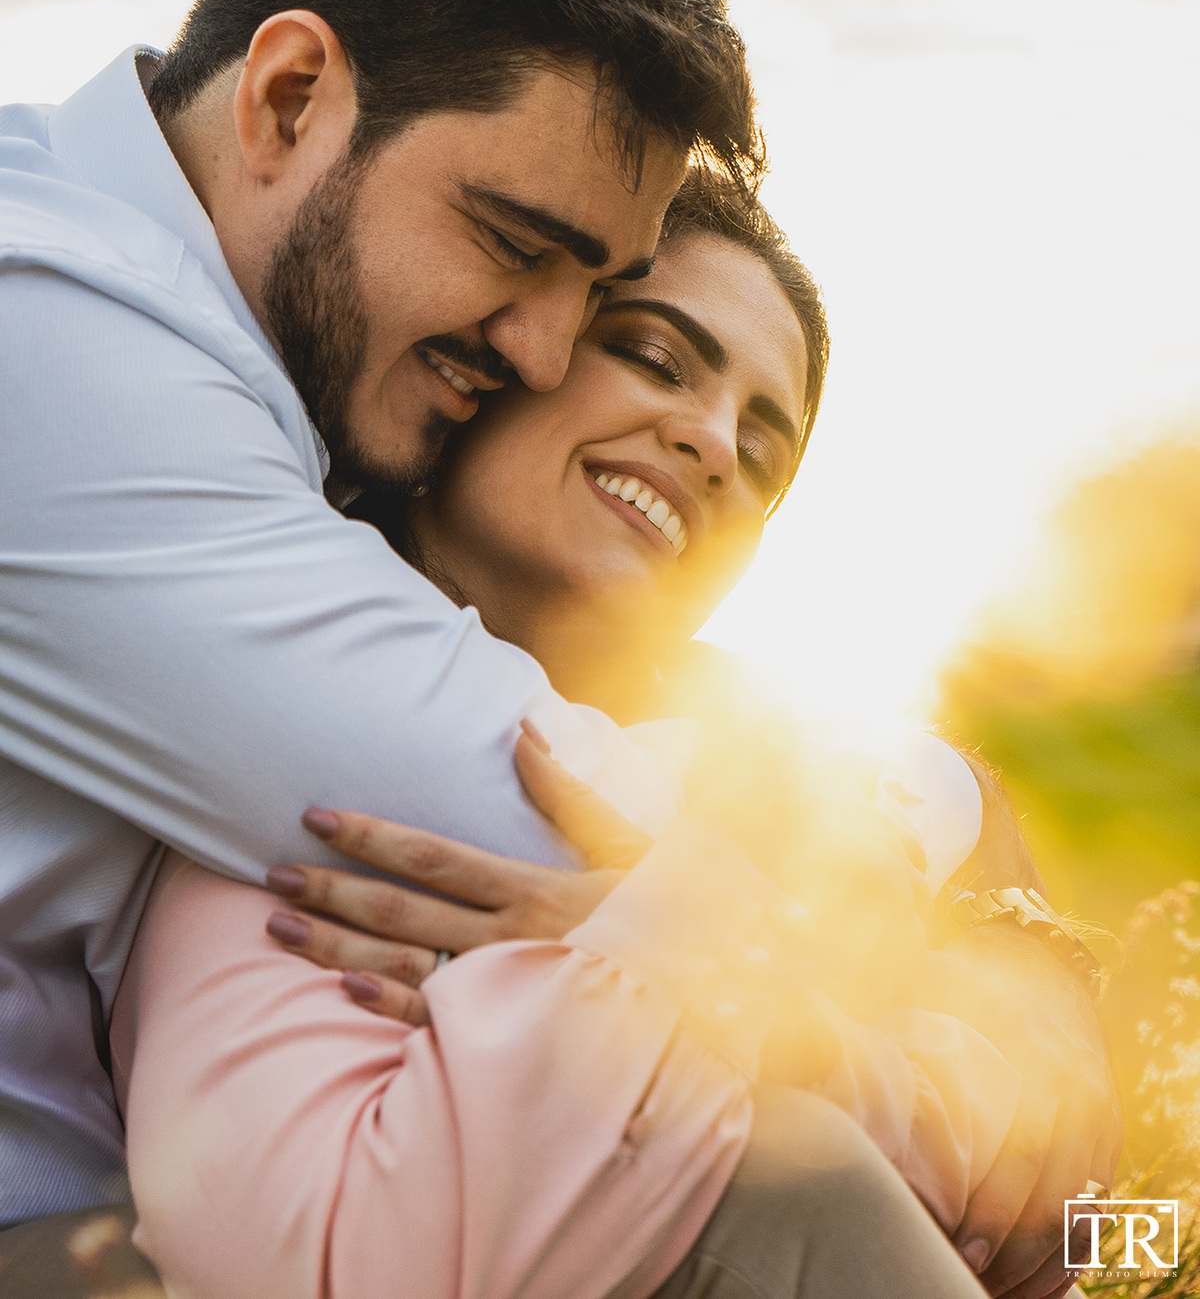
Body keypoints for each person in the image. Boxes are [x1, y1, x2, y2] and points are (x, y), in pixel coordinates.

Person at [0, 0, 1115, 1295]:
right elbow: (519, 805)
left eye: (587, 294)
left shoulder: (276, 393)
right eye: (519, 248)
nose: (534, 350)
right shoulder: (54, 342)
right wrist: (912, 890)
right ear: (286, 96)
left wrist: (993, 918)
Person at [106, 176, 1104, 1299]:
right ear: (493, 364)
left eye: (764, 455)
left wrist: (1026, 960)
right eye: (654, 355)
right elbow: (320, 1257)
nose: (716, 443)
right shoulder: (315, 739)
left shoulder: (754, 788)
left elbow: (1092, 1241)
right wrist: (696, 965)